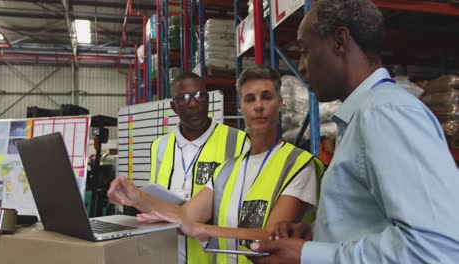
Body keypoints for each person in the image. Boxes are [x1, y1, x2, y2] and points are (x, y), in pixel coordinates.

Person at [250, 0, 459, 263]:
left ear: (340, 41)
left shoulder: (384, 114)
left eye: (305, 51)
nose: (301, 67)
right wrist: (318, 237)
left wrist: (308, 255)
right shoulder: (364, 116)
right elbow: (376, 223)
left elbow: (433, 247)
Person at [108, 65, 324, 264]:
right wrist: (137, 197)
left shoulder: (299, 165)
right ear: (240, 107)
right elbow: (185, 215)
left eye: (266, 97)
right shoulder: (226, 171)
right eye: (250, 99)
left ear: (281, 103)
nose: (258, 106)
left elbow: (272, 238)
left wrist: (201, 229)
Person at [149, 72, 248, 263]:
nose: (193, 104)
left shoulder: (237, 141)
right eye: (184, 98)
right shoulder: (159, 147)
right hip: (168, 255)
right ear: (173, 106)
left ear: (208, 99)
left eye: (200, 95)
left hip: (214, 257)